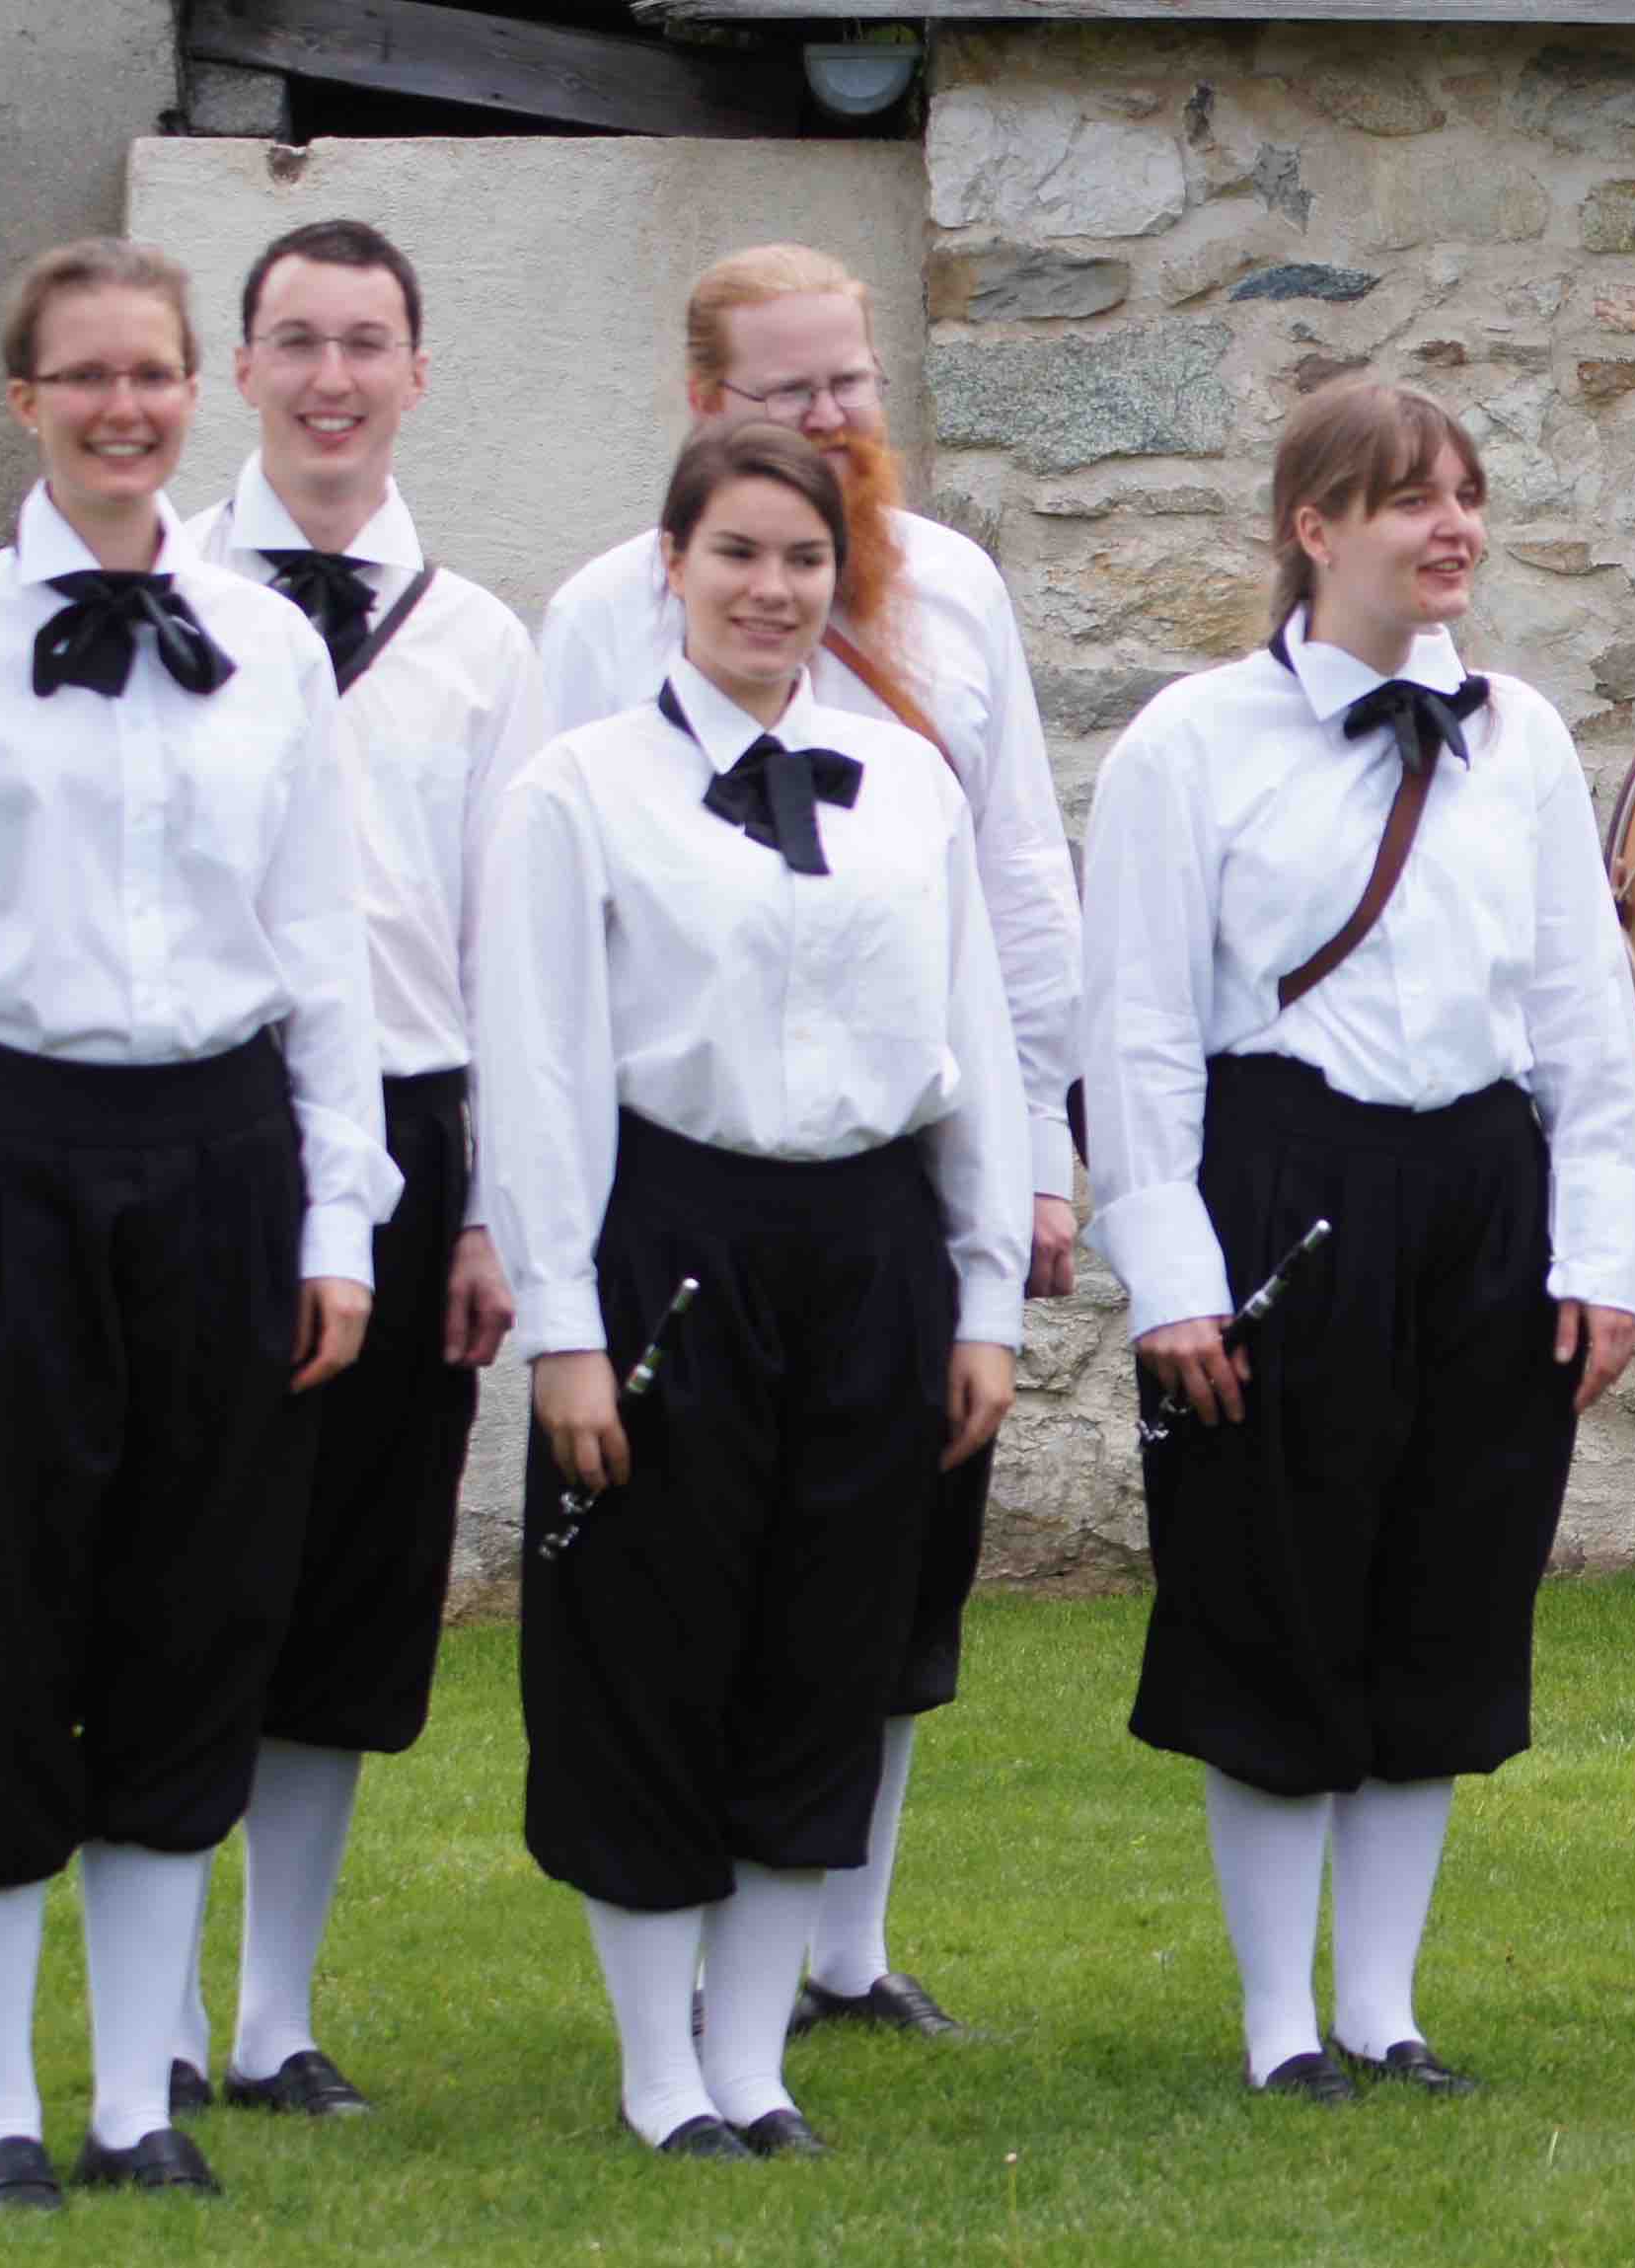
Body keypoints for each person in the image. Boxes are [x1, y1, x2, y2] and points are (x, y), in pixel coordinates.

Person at [0, 237, 392, 2208]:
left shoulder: (273, 649)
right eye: (86, 377)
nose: (124, 408)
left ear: (188, 394)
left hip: (226, 1158)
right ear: (26, 402)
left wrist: (340, 1217)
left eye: (152, 374)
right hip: (9, 1157)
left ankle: (139, 2102)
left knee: (194, 1609)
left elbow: (322, 945)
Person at [531, 246, 1079, 2040]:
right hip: (685, 1179)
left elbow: (1013, 878)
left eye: (854, 381)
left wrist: (1035, 1154)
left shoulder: (959, 592)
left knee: (880, 1570)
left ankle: (841, 1945)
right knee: (688, 1585)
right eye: (792, 391)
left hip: (894, 1164)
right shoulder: (602, 619)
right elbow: (540, 934)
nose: (836, 415)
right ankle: (687, 1963)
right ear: (706, 405)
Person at [1078, 379, 1635, 2100]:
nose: (1450, 525)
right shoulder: (1188, 742)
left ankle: (1386, 2012)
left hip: (1482, 1188)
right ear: (1312, 528)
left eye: (1464, 493)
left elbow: (1582, 1013)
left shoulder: (1521, 735)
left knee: (1445, 1593)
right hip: (1282, 1184)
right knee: (1276, 1593)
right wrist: (1171, 1276)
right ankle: (1279, 2023)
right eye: (1408, 498)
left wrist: (1597, 1254)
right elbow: (1136, 1033)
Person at [162, 216, 541, 2121]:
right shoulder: (161, 599)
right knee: (177, 1565)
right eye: (296, 342)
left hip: (407, 1127)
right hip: (203, 1126)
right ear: (242, 370)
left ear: (415, 373)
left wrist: (488, 1212)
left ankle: (272, 2013)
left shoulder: (481, 641)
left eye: (366, 343)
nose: (331, 379)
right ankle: (151, 2010)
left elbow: (507, 947)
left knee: (349, 1580)